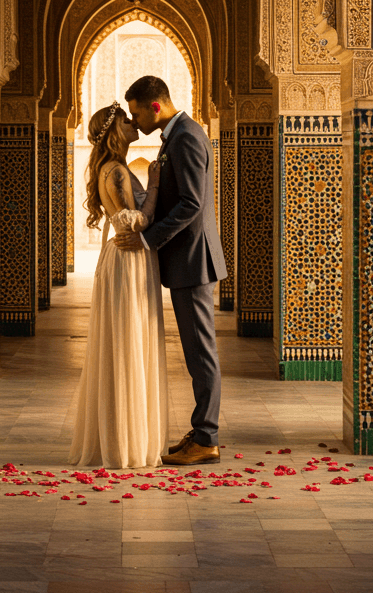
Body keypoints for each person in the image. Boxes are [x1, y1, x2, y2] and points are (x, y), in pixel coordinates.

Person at [114, 75, 227, 466]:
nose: (135, 119)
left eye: (136, 111)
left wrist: (148, 239)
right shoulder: (173, 137)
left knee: (200, 353)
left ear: (155, 106)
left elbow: (192, 204)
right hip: (185, 261)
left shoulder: (187, 137)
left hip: (194, 260)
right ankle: (201, 432)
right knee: (196, 352)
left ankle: (207, 438)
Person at [68, 100, 167, 468]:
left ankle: (123, 435)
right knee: (128, 343)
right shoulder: (118, 172)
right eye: (126, 121)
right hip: (128, 260)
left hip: (123, 259)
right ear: (114, 131)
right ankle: (126, 442)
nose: (132, 124)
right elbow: (138, 220)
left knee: (126, 343)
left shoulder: (112, 168)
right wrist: (155, 185)